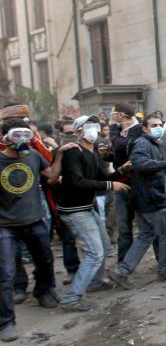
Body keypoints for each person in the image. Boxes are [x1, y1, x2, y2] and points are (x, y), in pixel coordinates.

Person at [0, 119, 72, 342]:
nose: (22, 139)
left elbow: (51, 177)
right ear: (5, 138)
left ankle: (44, 291)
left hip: (34, 220)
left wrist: (58, 155)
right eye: (16, 135)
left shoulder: (33, 156)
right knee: (5, 273)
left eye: (26, 134)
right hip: (5, 225)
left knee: (45, 260)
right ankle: (6, 321)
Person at [56, 115, 129, 310]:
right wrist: (110, 184)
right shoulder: (74, 152)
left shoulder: (93, 153)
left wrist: (121, 170)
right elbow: (77, 182)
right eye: (89, 126)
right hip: (75, 210)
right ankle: (72, 297)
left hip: (87, 208)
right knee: (94, 252)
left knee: (104, 246)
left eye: (96, 126)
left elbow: (104, 177)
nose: (95, 130)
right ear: (78, 131)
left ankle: (94, 282)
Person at [109, 114, 166, 289]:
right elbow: (141, 164)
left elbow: (160, 165)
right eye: (153, 125)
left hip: (148, 196)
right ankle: (165, 270)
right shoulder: (142, 144)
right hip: (150, 199)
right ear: (144, 128)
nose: (157, 127)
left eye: (159, 124)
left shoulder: (155, 143)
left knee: (146, 235)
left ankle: (122, 271)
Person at [107, 102, 143, 263]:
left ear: (120, 115)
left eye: (113, 113)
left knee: (148, 226)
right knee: (124, 227)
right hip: (120, 184)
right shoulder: (121, 131)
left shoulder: (137, 130)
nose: (111, 117)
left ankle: (164, 264)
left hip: (138, 185)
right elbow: (118, 152)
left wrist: (113, 129)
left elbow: (121, 146)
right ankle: (124, 263)